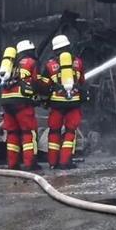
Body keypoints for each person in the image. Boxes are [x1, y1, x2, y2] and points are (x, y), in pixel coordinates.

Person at [41, 34, 85, 169]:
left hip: (56, 103)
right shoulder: (78, 62)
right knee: (70, 132)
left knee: (54, 132)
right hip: (73, 102)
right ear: (68, 47)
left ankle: (53, 163)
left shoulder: (50, 64)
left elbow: (44, 85)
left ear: (55, 50)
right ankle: (65, 162)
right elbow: (82, 82)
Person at [0, 39, 41, 170]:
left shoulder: (10, 64)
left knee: (12, 133)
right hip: (22, 103)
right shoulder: (31, 63)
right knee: (28, 132)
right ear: (29, 51)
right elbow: (37, 82)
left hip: (6, 102)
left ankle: (12, 164)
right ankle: (30, 164)